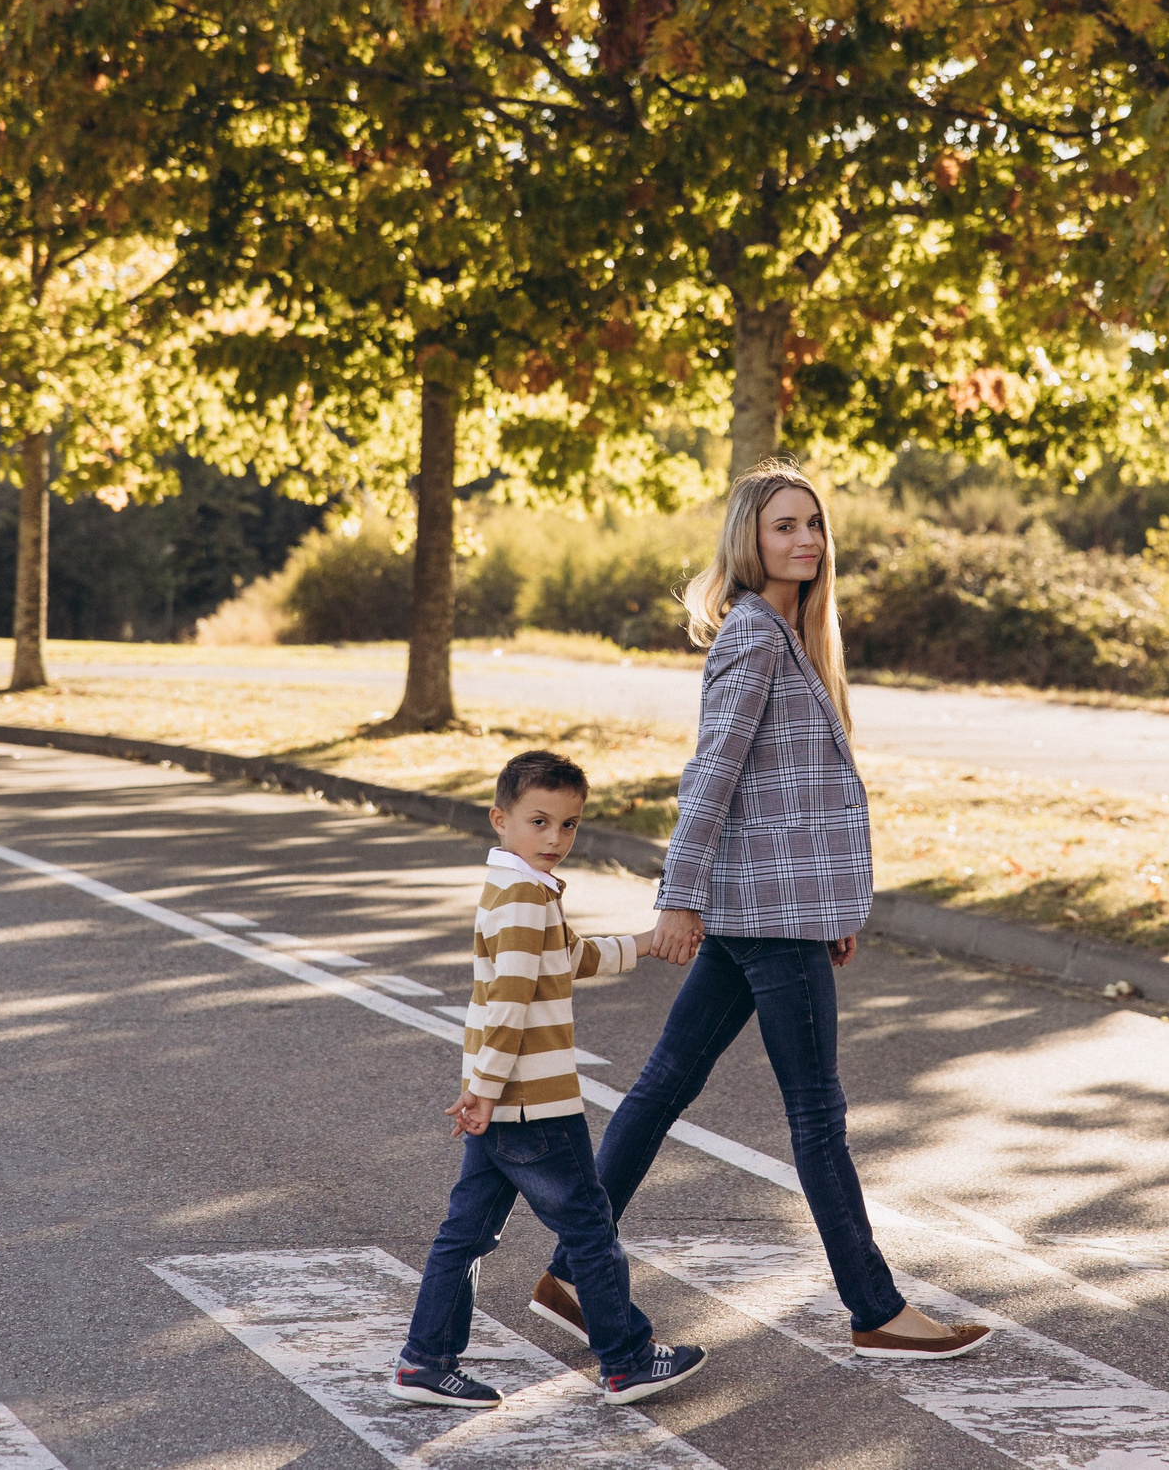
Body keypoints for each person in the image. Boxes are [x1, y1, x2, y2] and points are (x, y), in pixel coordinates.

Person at [533, 461, 992, 1362]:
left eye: (814, 524)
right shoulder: (754, 634)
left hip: (778, 908)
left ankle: (572, 1272)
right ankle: (875, 1308)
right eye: (786, 525)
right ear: (752, 537)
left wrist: (833, 903)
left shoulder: (788, 633)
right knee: (816, 1116)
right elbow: (713, 777)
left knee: (663, 1087)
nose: (806, 540)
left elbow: (793, 799)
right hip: (764, 918)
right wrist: (678, 895)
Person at [388, 750, 709, 1410]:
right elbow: (509, 1000)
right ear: (500, 819)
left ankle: (424, 1359)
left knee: (466, 1230)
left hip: (505, 1098)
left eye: (568, 825)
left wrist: (646, 942)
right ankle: (625, 1360)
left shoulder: (516, 890)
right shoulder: (528, 897)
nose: (555, 839)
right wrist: (484, 1086)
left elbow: (564, 959)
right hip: (532, 1101)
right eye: (540, 821)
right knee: (589, 1226)